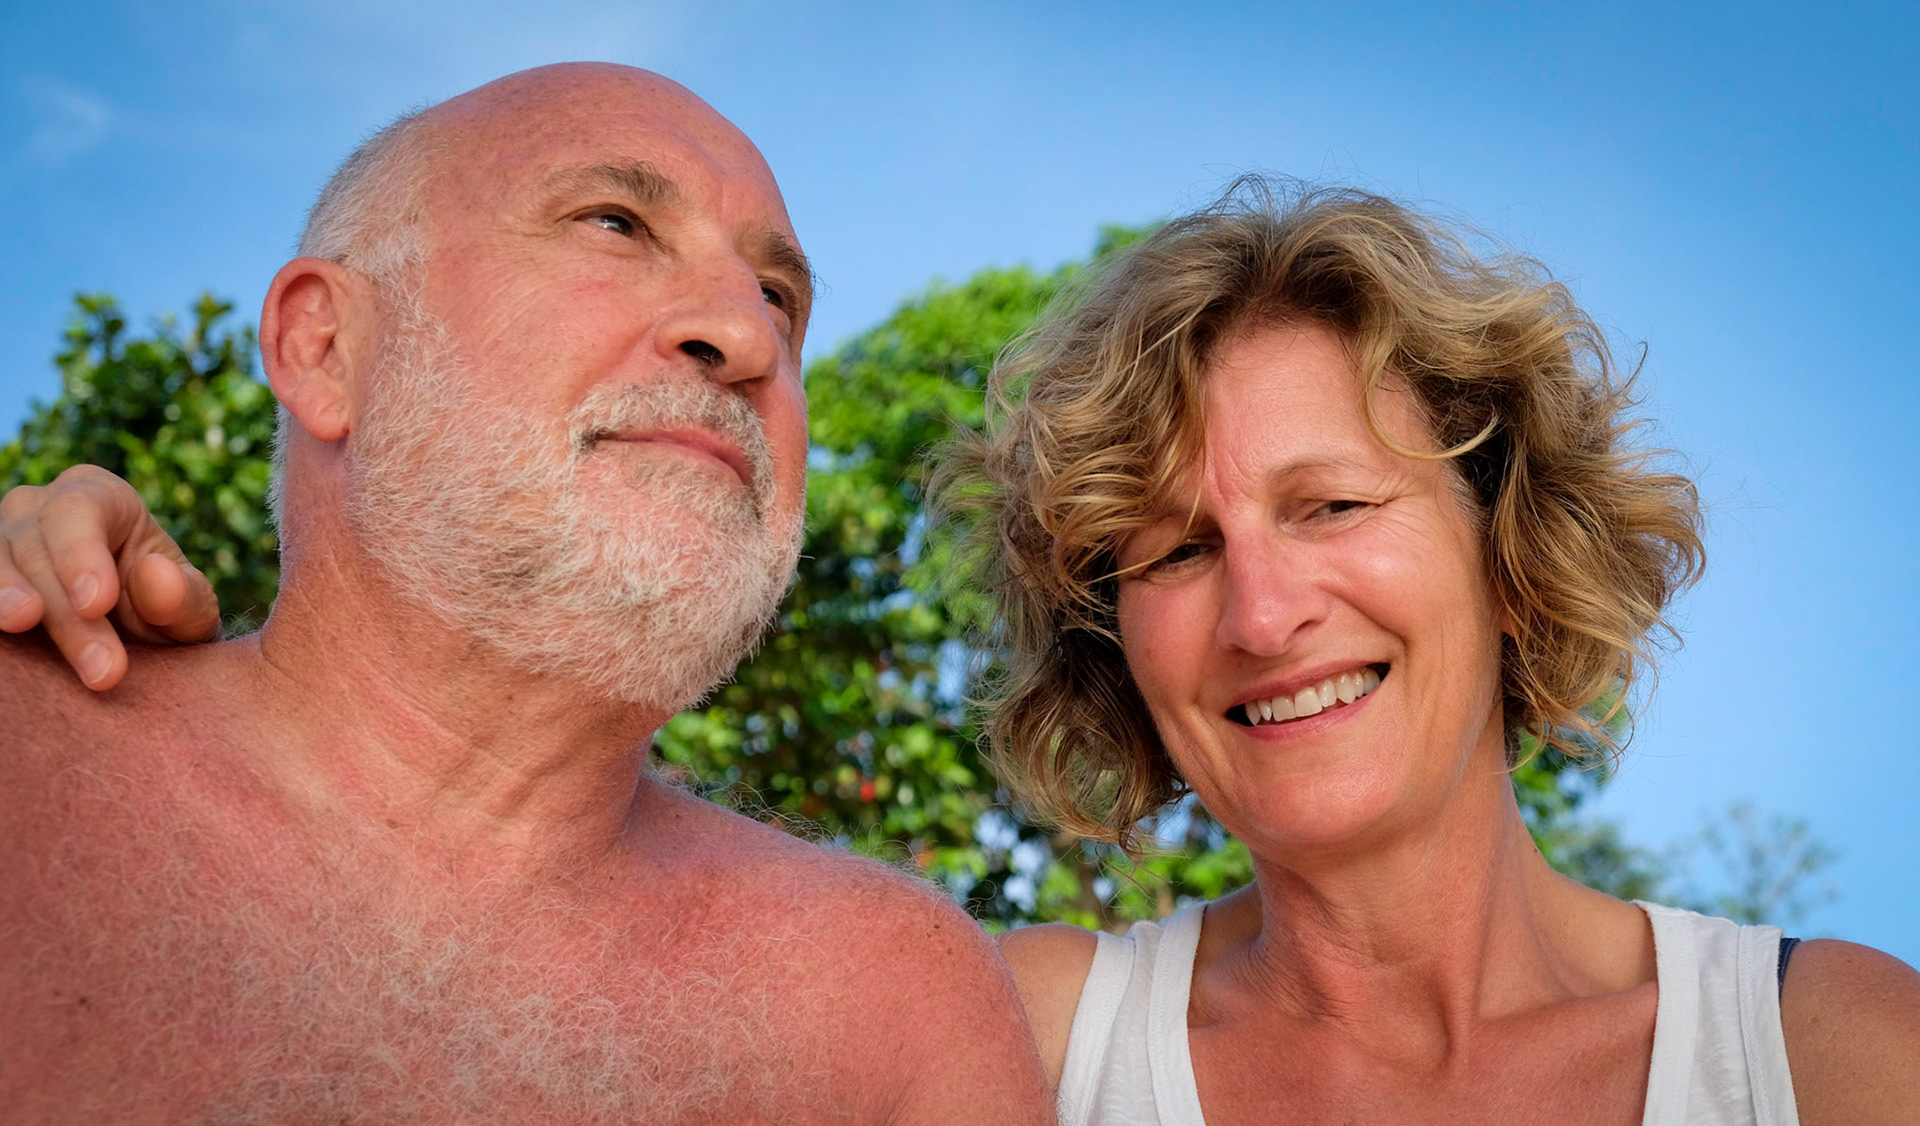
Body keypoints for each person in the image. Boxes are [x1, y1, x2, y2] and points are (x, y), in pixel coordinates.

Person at [0, 63, 1052, 1123]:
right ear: (324, 349)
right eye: (616, 224)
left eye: (778, 299)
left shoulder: (893, 1013)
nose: (746, 338)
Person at [937, 184, 1920, 1124]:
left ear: (1508, 557)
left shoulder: (1829, 1053)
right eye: (1179, 551)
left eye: (1333, 505)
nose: (1262, 619)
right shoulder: (1035, 1046)